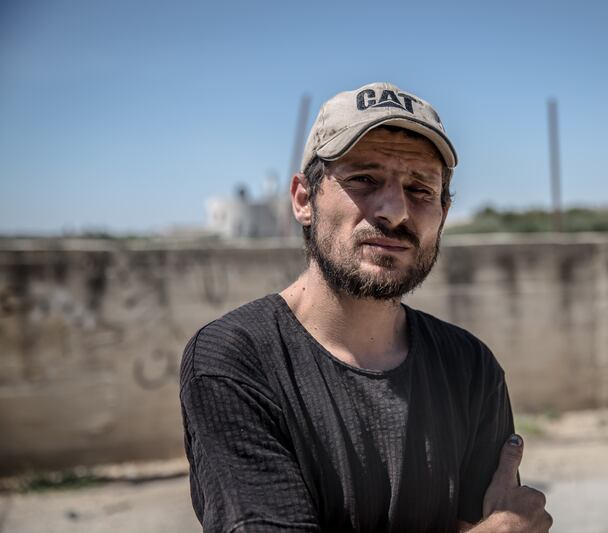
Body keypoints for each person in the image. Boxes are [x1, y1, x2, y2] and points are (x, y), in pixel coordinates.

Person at [179, 81, 552, 532]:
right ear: (303, 199)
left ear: (444, 215)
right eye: (364, 180)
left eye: (420, 189)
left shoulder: (469, 367)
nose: (394, 211)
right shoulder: (236, 361)